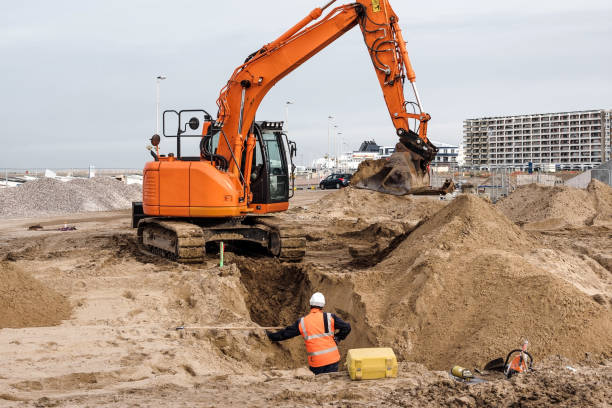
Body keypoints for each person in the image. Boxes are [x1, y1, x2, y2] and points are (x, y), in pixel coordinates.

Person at [266, 292, 351, 375]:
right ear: (322, 305)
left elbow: (285, 334)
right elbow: (347, 327)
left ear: (310, 304)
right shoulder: (330, 317)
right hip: (332, 359)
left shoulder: (302, 322)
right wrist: (338, 337)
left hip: (316, 363)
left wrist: (270, 335)